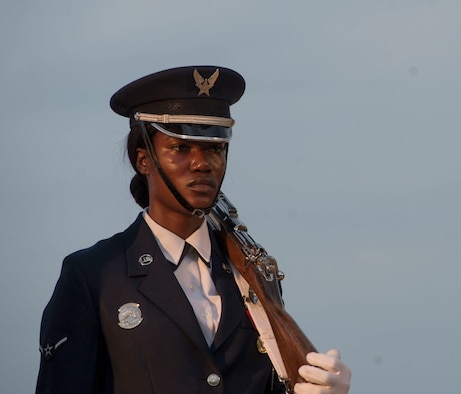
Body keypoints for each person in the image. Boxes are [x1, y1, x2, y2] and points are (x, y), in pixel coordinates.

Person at [36, 66, 351, 393]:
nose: (203, 163)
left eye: (215, 148)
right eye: (181, 148)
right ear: (143, 160)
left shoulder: (252, 276)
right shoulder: (93, 276)